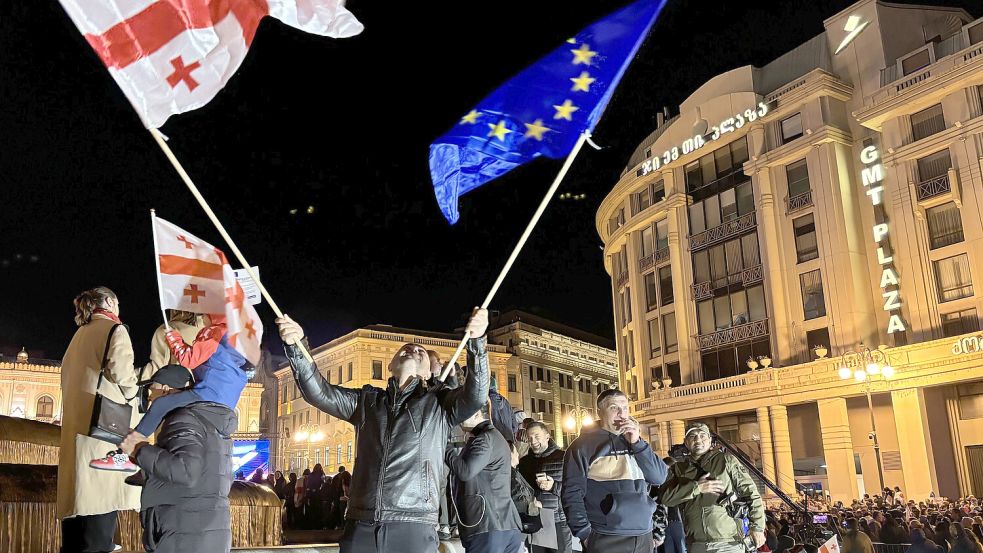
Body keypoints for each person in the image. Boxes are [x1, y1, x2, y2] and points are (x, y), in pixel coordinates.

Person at [276, 308, 490, 553]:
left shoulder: (439, 403)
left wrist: (477, 342)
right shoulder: (367, 401)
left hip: (413, 524)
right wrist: (297, 347)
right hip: (361, 523)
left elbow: (475, 395)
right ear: (390, 365)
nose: (413, 349)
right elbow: (319, 393)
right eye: (406, 348)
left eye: (420, 352)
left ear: (430, 372)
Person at [92, 316, 249, 472]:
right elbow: (207, 356)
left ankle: (126, 455)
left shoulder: (215, 332)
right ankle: (144, 462)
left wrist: (173, 338)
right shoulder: (232, 340)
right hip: (225, 400)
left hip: (209, 392)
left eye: (206, 314)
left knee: (161, 404)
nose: (203, 317)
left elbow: (189, 359)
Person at [119, 363, 238, 553]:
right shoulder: (207, 422)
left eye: (152, 390)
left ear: (166, 391)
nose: (149, 397)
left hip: (184, 534)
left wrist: (140, 450)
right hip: (203, 532)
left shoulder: (183, 419)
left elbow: (186, 471)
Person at [58, 286, 142, 553]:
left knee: (78, 503)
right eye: (117, 302)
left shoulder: (78, 335)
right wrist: (135, 395)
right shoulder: (114, 330)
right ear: (108, 302)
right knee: (101, 497)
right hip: (102, 429)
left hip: (76, 429)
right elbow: (123, 374)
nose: (118, 308)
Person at [561, 389, 668, 553]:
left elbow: (659, 477)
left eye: (625, 408)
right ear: (600, 412)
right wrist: (584, 534)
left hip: (643, 534)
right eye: (613, 407)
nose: (621, 413)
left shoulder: (636, 441)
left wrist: (638, 443)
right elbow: (572, 492)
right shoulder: (582, 446)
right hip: (606, 535)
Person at [660, 422, 765, 553]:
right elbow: (666, 498)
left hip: (728, 542)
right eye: (692, 436)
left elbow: (751, 493)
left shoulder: (727, 460)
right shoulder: (678, 468)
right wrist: (697, 487)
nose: (698, 439)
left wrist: (757, 527)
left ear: (710, 440)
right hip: (696, 545)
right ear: (686, 443)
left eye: (702, 436)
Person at [444, 409, 523, 553]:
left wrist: (444, 446)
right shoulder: (493, 437)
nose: (458, 420)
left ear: (477, 414)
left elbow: (465, 471)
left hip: (488, 526)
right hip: (503, 525)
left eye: (462, 414)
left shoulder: (486, 438)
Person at [518, 421, 570, 553]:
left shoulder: (563, 457)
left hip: (557, 520)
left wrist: (554, 486)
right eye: (529, 438)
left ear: (547, 436)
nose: (533, 440)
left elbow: (573, 490)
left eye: (536, 436)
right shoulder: (524, 462)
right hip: (534, 519)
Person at [510, 442, 544, 536]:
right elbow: (520, 501)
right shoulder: (512, 476)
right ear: (509, 454)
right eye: (515, 451)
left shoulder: (513, 472)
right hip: (521, 525)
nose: (517, 454)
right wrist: (535, 505)